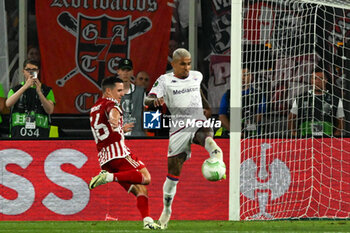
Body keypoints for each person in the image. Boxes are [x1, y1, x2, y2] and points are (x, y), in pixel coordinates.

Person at [144, 48, 224, 229]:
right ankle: (166, 209)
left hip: (196, 119)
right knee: (173, 174)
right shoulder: (164, 80)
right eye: (182, 64)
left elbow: (197, 91)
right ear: (173, 64)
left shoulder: (197, 76)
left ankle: (216, 157)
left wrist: (206, 105)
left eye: (189, 63)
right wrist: (154, 101)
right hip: (178, 128)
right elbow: (147, 100)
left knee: (205, 133)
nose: (187, 67)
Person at [88, 76, 160, 230]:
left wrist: (120, 128)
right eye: (119, 90)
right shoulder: (111, 103)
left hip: (105, 159)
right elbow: (112, 111)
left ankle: (147, 221)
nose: (122, 94)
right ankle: (108, 177)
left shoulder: (94, 108)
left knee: (140, 189)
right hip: (118, 153)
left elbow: (104, 127)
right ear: (108, 91)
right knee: (146, 178)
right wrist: (115, 120)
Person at [6, 59, 55, 138]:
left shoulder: (46, 90)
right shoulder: (15, 89)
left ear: (38, 71)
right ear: (23, 71)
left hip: (40, 134)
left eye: (34, 70)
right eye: (28, 70)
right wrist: (25, 87)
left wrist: (39, 92)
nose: (31, 73)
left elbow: (50, 110)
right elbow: (8, 103)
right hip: (18, 134)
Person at [288, 68, 344, 137]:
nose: (317, 81)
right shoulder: (301, 98)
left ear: (326, 80)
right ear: (311, 81)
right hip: (305, 141)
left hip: (327, 140)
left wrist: (336, 135)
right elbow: (291, 118)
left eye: (320, 78)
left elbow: (341, 121)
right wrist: (294, 133)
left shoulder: (336, 99)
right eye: (315, 78)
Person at [117, 58, 146, 137]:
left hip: (137, 137)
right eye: (123, 70)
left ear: (132, 72)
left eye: (128, 70)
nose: (125, 73)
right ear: (118, 71)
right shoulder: (112, 93)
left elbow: (147, 114)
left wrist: (150, 137)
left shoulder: (141, 92)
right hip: (118, 137)